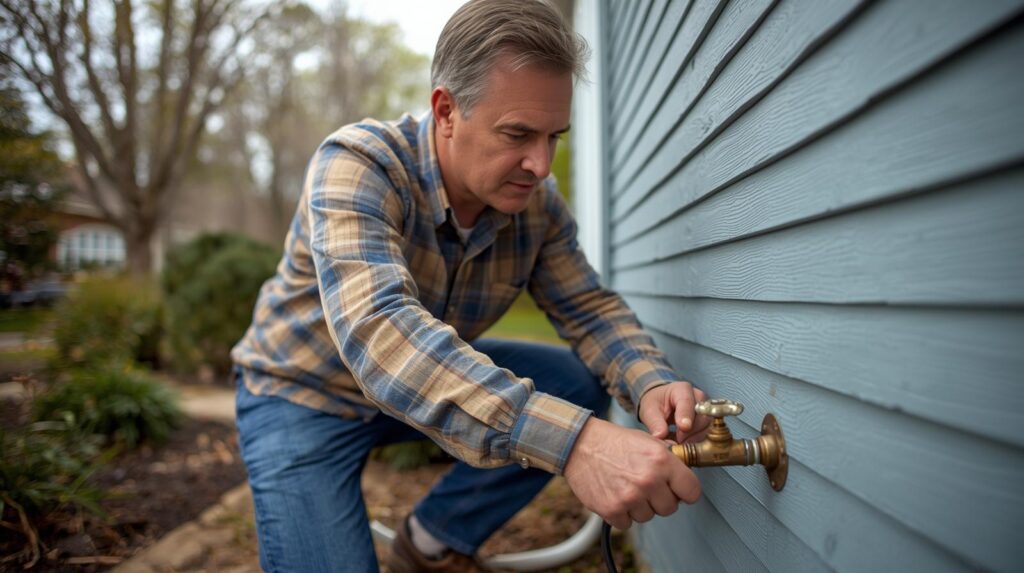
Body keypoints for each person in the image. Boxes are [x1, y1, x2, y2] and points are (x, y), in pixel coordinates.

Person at [231, 1, 710, 571]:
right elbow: (381, 333)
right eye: (518, 134)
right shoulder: (359, 165)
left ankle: (432, 540)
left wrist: (652, 382)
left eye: (554, 136)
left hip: (418, 384)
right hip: (302, 394)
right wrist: (577, 444)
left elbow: (590, 310)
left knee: (573, 382)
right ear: (446, 111)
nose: (540, 165)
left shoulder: (537, 208)